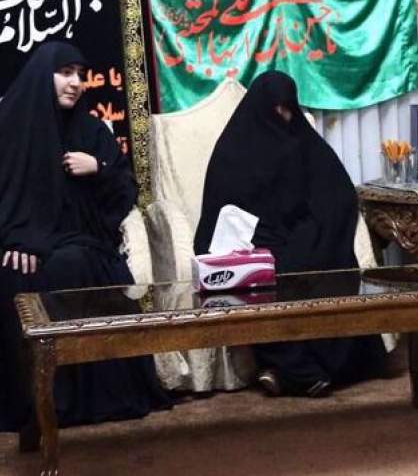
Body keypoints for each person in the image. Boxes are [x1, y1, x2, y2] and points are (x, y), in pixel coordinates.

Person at [0, 42, 170, 433]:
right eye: (65, 73)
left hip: (79, 239)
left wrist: (101, 167)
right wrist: (16, 238)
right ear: (44, 75)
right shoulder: (9, 126)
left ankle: (74, 401)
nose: (75, 83)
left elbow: (125, 193)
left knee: (68, 268)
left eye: (80, 74)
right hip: (18, 242)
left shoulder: (91, 130)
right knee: (11, 276)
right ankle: (30, 403)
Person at [194, 71, 386, 397]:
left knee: (320, 266)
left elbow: (336, 192)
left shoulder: (302, 141)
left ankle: (287, 372)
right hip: (249, 242)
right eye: (276, 109)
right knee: (260, 279)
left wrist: (317, 228)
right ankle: (302, 371)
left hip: (298, 234)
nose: (283, 117)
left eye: (288, 108)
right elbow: (220, 209)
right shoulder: (234, 147)